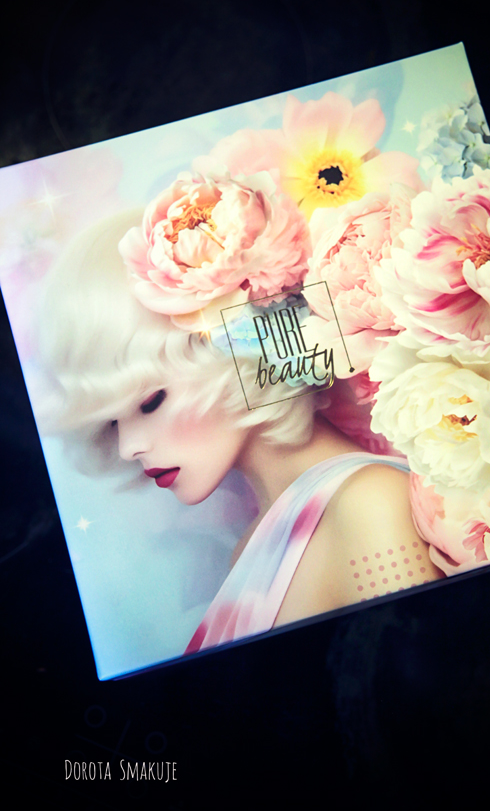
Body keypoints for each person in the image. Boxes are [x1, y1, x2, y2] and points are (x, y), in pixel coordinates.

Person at [37, 208, 441, 655]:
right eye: (111, 421)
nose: (128, 447)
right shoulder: (252, 547)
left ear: (234, 348)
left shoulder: (370, 505)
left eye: (150, 401)